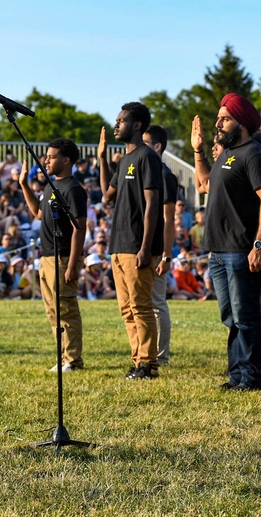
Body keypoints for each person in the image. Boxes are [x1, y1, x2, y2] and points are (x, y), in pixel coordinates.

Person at [191, 94, 261, 391]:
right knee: (231, 317)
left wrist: (259, 245)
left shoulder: (254, 154)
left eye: (225, 119)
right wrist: (199, 152)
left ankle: (252, 378)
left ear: (242, 123)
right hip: (218, 251)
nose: (218, 124)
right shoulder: (226, 155)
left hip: (242, 250)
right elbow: (203, 185)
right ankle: (237, 375)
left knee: (246, 316)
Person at [98, 102, 163, 380]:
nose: (116, 124)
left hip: (137, 246)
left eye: (121, 120)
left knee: (141, 306)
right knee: (126, 309)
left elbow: (152, 204)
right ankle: (137, 361)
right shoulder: (123, 160)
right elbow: (106, 195)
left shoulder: (147, 157)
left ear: (137, 125)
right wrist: (102, 159)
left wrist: (146, 247)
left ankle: (148, 364)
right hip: (119, 245)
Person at [20, 138, 88, 373]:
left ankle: (73, 361)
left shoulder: (73, 189)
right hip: (47, 256)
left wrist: (72, 264)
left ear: (66, 160)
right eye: (46, 156)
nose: (46, 160)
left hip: (63, 258)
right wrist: (24, 185)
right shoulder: (50, 185)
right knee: (52, 310)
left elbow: (80, 229)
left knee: (66, 309)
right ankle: (63, 357)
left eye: (51, 156)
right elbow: (38, 214)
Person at [143, 125, 179, 366]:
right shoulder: (147, 172)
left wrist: (166, 256)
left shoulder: (165, 176)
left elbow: (169, 219)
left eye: (145, 142)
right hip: (144, 248)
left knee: (157, 303)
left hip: (157, 250)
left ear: (157, 146)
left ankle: (161, 356)